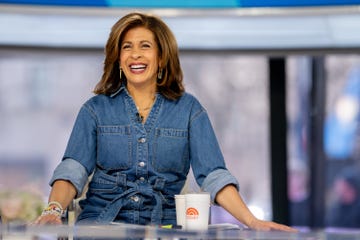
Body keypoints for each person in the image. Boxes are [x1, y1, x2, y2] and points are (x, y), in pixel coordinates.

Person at [33, 12, 296, 232]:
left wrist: (251, 221)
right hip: (102, 228)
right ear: (118, 60)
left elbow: (214, 175)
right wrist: (53, 210)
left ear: (161, 58)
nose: (135, 54)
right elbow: (73, 169)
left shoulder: (189, 109)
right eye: (127, 47)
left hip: (165, 230)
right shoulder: (94, 110)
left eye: (145, 46)